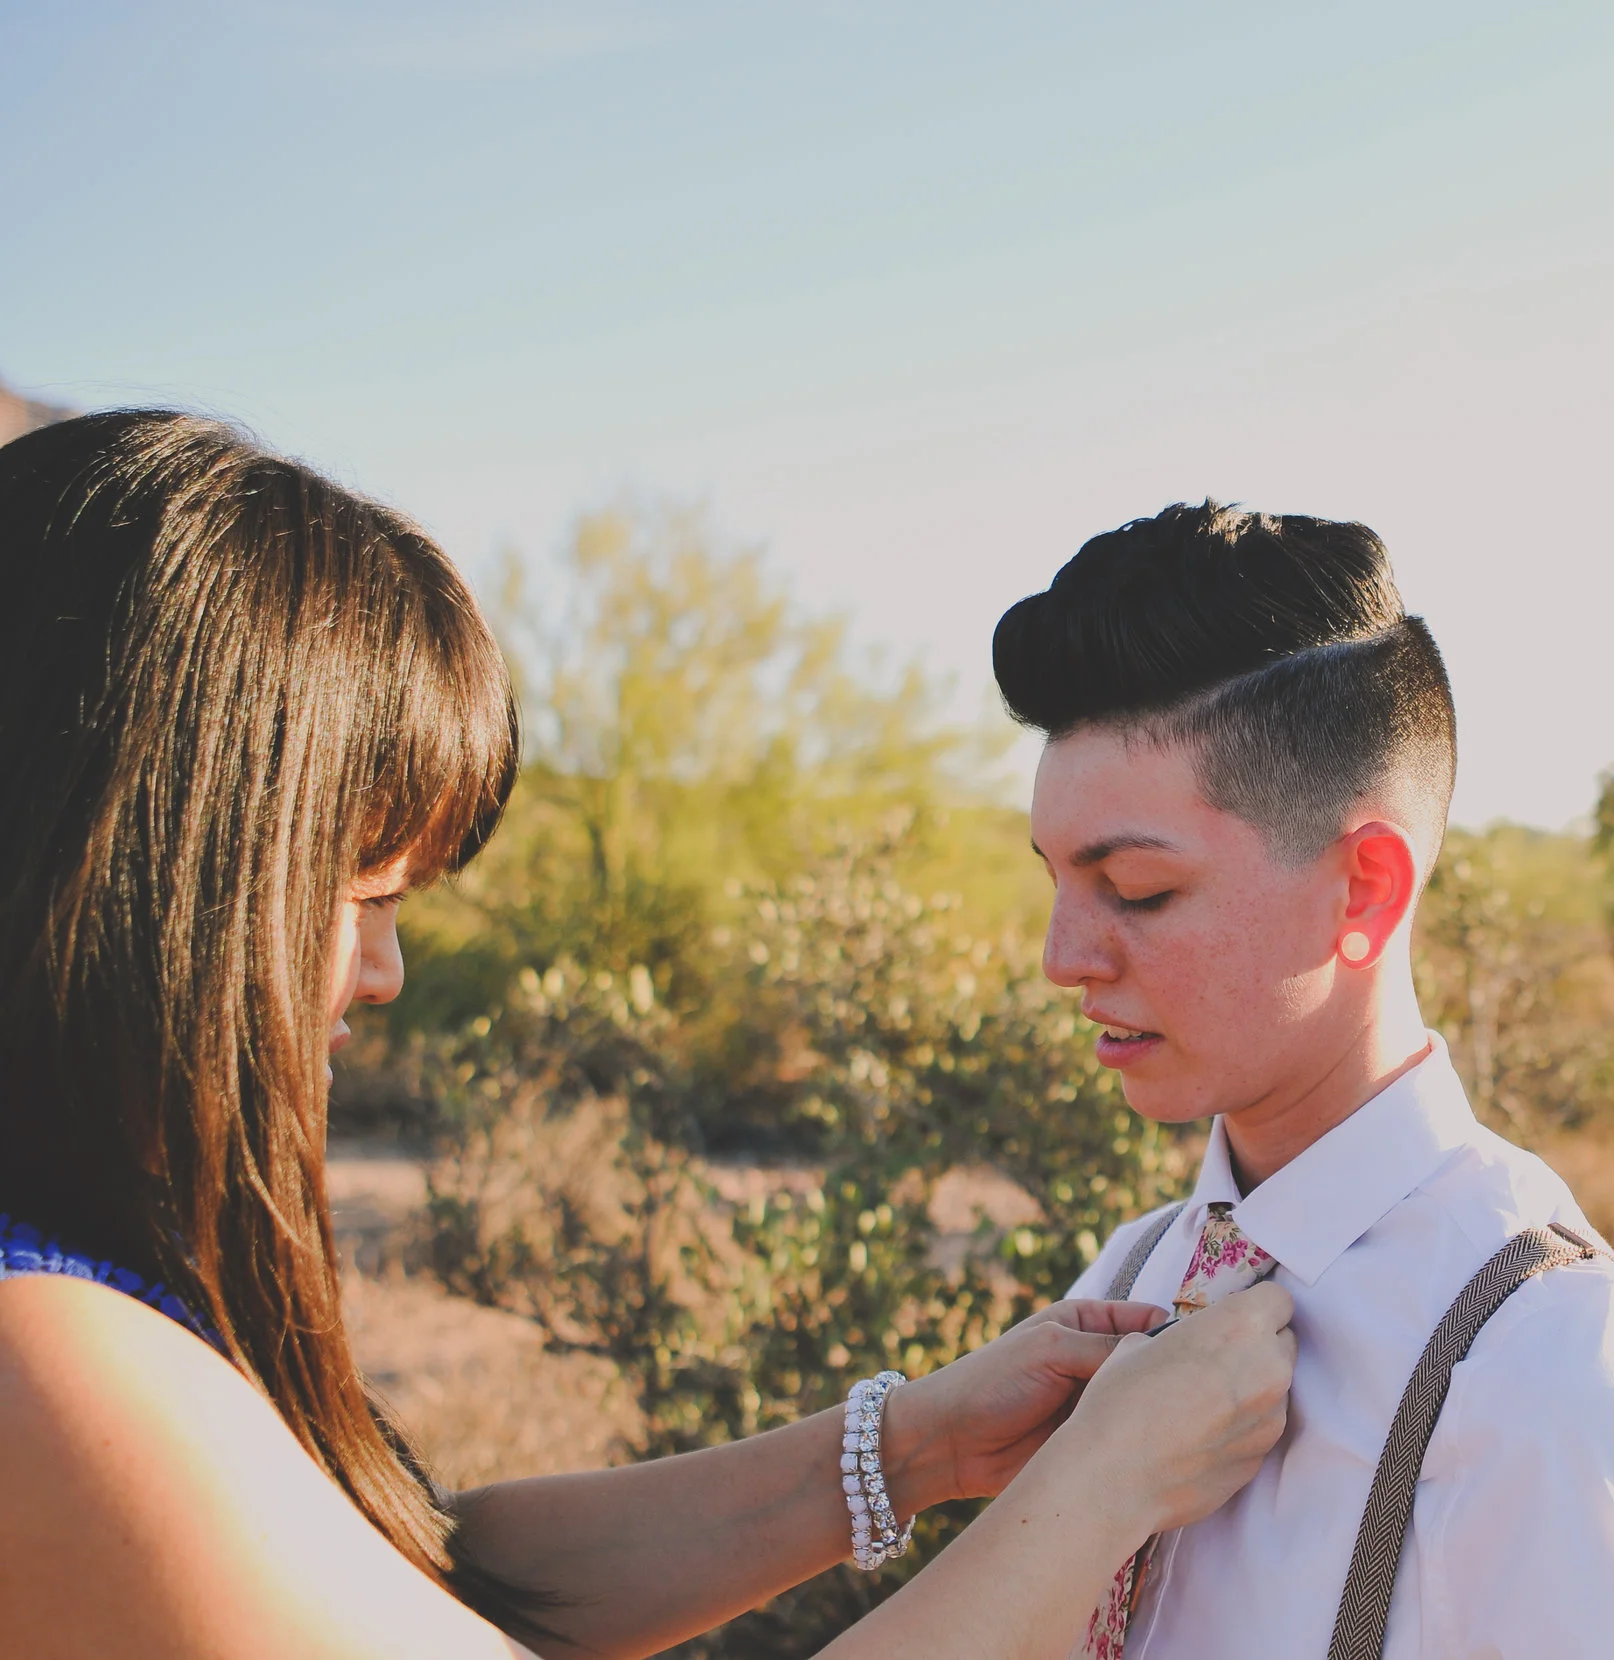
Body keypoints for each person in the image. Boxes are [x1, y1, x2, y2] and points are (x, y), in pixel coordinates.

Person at [0, 413, 1297, 1660]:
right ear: (151, 870)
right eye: (363, 896)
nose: (383, 973)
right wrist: (1098, 1493)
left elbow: (420, 1579)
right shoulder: (43, 1373)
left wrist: (917, 1444)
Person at [995, 502, 1614, 1660]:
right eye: (1056, 880)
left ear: (1364, 890)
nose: (1063, 958)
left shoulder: (1551, 1375)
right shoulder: (1137, 1270)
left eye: (1137, 889)